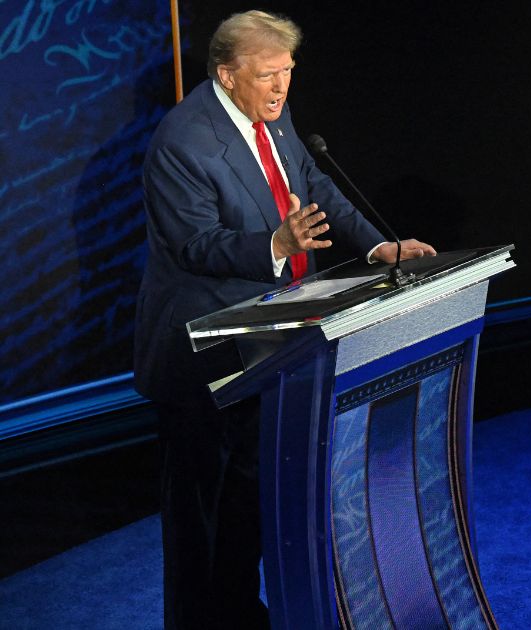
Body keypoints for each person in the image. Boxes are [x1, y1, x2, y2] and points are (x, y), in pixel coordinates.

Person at [133, 10, 435, 628]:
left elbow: (313, 181)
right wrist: (275, 244)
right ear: (226, 74)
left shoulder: (275, 116)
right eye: (268, 75)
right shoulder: (182, 142)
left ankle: (247, 615)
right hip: (205, 358)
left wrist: (379, 247)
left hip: (275, 343)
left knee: (253, 502)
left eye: (288, 73)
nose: (281, 88)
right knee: (205, 523)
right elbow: (194, 245)